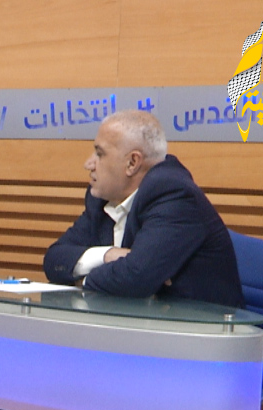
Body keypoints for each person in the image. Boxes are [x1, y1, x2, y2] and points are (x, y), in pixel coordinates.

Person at [43, 110, 244, 308]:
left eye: (100, 153)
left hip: (200, 325)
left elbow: (135, 278)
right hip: (135, 323)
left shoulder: (173, 194)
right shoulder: (102, 199)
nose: (88, 164)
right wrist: (107, 255)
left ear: (132, 162)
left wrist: (81, 282)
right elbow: (54, 259)